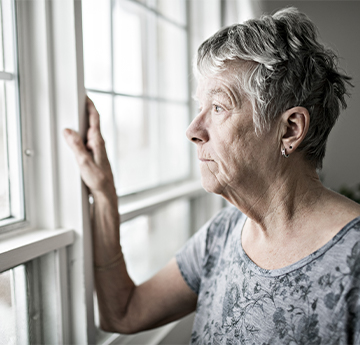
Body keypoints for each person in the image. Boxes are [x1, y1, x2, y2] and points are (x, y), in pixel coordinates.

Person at [63, 7, 360, 344]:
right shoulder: (222, 234)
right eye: (199, 107)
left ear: (290, 129)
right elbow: (124, 311)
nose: (193, 130)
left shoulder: (354, 260)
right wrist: (104, 194)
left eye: (218, 107)